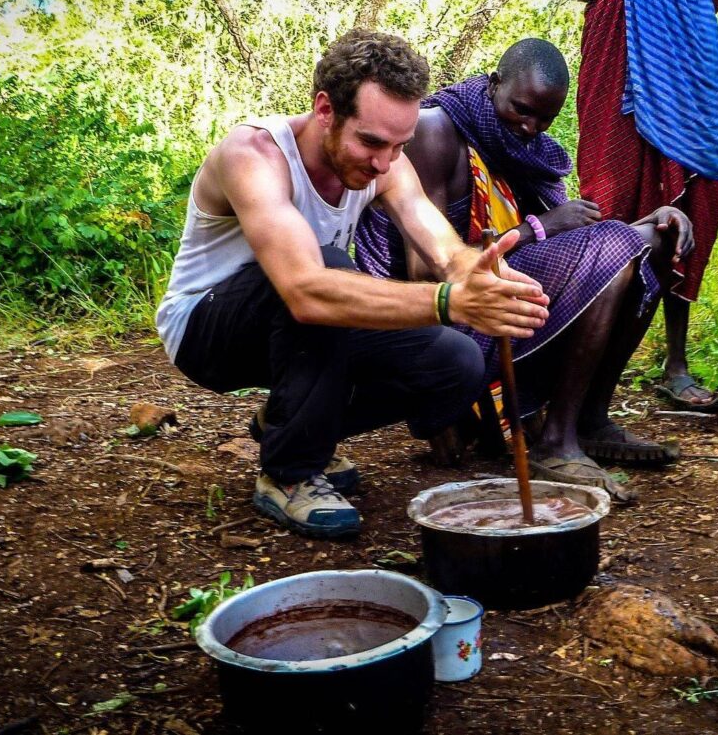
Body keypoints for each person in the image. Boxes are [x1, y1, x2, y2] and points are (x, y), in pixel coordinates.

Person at [155, 30, 551, 539]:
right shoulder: (253, 154)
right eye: (371, 142)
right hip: (206, 333)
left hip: (300, 319)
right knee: (324, 272)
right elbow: (305, 289)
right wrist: (448, 300)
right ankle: (289, 474)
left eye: (398, 145)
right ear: (325, 109)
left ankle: (288, 423)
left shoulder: (385, 163)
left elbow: (440, 245)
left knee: (455, 362)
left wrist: (471, 272)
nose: (384, 162)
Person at [355, 39, 694, 505]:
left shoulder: (522, 150)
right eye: (521, 110)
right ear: (494, 85)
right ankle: (556, 443)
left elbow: (578, 238)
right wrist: (540, 228)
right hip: (443, 321)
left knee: (654, 240)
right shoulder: (436, 132)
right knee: (615, 246)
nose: (530, 128)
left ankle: (589, 420)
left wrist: (652, 219)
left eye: (545, 120)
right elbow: (425, 276)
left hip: (500, 294)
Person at [513, 0, 718, 411]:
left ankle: (675, 363)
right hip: (614, 37)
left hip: (688, 40)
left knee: (694, 188)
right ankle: (580, 372)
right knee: (610, 196)